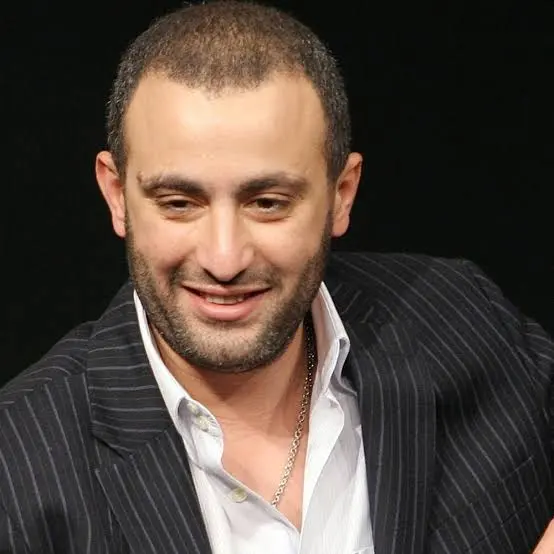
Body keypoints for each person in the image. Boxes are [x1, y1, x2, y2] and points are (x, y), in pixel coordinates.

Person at [0, 1, 552, 552]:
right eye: (178, 203)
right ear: (117, 196)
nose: (224, 259)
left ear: (341, 194)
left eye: (267, 202)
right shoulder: (18, 465)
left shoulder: (460, 316)